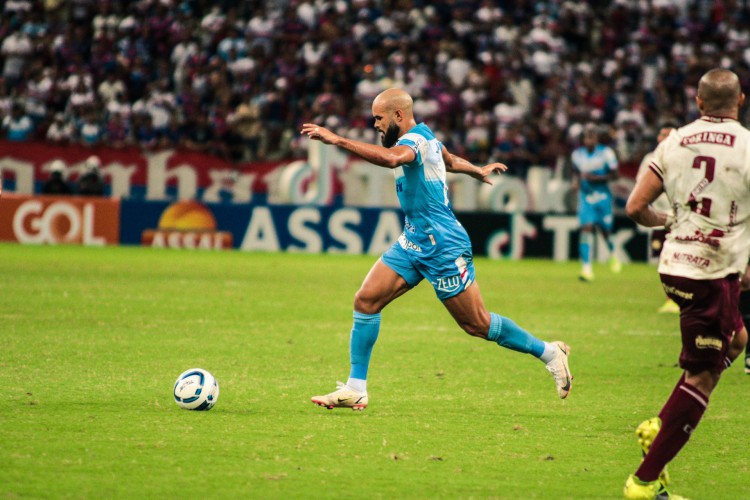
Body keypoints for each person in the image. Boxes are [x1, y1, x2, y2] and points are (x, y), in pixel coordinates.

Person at [300, 88, 572, 411]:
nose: (374, 124)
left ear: (398, 116)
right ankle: (356, 387)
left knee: (477, 324)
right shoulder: (426, 139)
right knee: (366, 300)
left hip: (443, 245)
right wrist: (476, 170)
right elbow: (448, 159)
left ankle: (550, 353)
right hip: (414, 240)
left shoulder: (413, 141)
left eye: (378, 118)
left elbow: (392, 160)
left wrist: (338, 141)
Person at [624, 68, 750, 499]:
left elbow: (636, 206)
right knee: (702, 379)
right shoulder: (748, 147)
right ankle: (643, 482)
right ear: (742, 100)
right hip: (711, 275)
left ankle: (662, 423)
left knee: (737, 341)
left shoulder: (675, 139)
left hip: (675, 267)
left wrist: (671, 220)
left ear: (698, 102)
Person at [635, 124, 679, 314]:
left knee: (677, 259)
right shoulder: (650, 159)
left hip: (679, 217)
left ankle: (675, 299)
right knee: (662, 258)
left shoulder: (683, 158)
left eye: (668, 135)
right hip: (659, 217)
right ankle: (671, 298)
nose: (664, 138)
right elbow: (640, 186)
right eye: (662, 134)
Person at [571, 123, 622, 282]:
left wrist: (597, 178)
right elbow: (576, 173)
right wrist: (576, 182)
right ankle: (586, 268)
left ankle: (613, 254)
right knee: (586, 228)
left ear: (597, 138)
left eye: (592, 136)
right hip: (586, 197)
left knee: (604, 230)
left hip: (602, 196)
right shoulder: (577, 154)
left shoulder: (606, 153)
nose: (589, 139)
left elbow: (615, 175)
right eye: (587, 136)